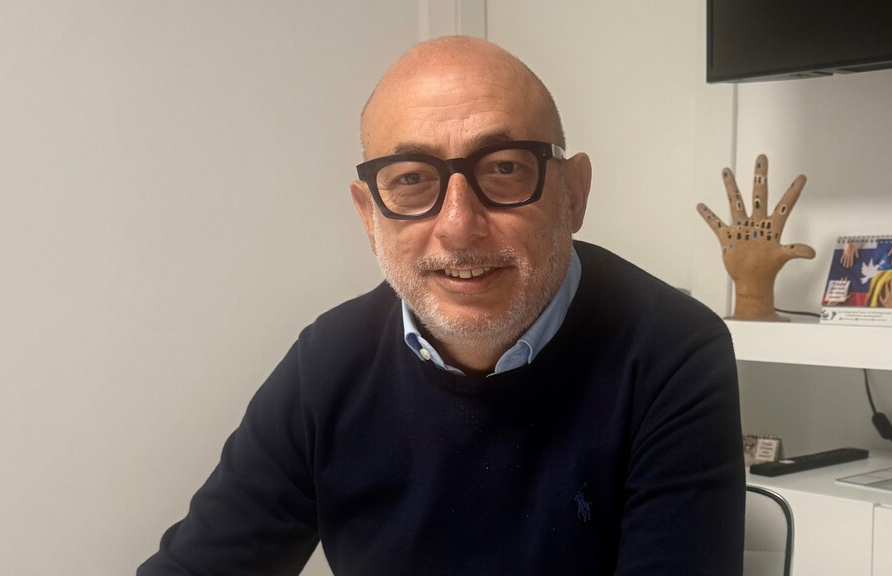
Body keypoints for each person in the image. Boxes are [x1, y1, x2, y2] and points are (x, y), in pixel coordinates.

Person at [138, 36, 744, 576]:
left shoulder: (672, 353)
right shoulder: (327, 364)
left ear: (574, 193)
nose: (458, 226)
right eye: (411, 179)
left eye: (504, 168)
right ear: (368, 215)